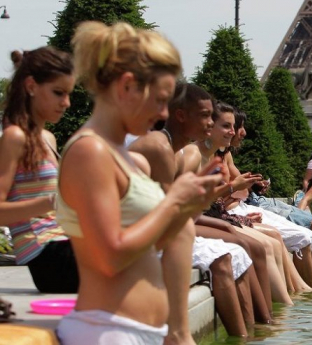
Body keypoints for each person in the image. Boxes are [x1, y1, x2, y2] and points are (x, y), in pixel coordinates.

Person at [55, 21, 222, 345]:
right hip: (109, 330)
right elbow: (110, 257)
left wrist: (186, 208)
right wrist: (174, 202)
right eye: (160, 100)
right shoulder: (90, 151)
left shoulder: (117, 154)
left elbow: (145, 250)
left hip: (132, 331)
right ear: (127, 86)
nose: (163, 113)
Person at [129, 82, 272, 330]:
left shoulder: (173, 149)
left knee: (235, 251)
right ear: (181, 115)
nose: (210, 122)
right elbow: (169, 218)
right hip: (140, 240)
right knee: (225, 256)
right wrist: (214, 193)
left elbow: (179, 212)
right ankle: (248, 335)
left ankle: (258, 330)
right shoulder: (161, 148)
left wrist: (204, 196)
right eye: (205, 116)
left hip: (156, 233)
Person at [223, 107, 312, 286]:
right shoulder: (205, 156)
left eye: (236, 126)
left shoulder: (224, 155)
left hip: (243, 207)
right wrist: (237, 188)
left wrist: (249, 186)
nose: (240, 132)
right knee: (303, 237)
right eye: (235, 126)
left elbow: (236, 189)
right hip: (237, 211)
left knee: (309, 234)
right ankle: (308, 297)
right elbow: (216, 196)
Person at [0, 47, 77, 293]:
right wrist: (51, 201)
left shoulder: (47, 138)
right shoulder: (15, 137)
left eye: (68, 94)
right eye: (58, 93)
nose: (66, 103)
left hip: (67, 242)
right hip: (47, 253)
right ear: (31, 86)